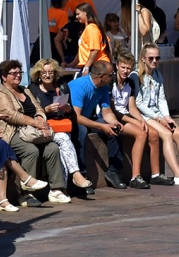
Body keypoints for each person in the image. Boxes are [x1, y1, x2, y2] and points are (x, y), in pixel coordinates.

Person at [0, 59, 68, 205]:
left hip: (33, 130)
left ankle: (56, 190)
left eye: (19, 72)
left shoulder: (25, 90)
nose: (18, 75)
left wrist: (41, 120)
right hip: (12, 131)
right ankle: (26, 194)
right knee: (31, 151)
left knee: (52, 148)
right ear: (4, 76)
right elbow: (12, 115)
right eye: (14, 73)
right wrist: (36, 123)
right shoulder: (1, 92)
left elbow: (39, 108)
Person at [136, 44, 179, 185]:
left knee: (178, 134)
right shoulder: (137, 76)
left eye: (157, 58)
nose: (154, 61)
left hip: (157, 113)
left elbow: (161, 99)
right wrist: (158, 119)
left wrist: (167, 117)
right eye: (151, 58)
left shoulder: (157, 75)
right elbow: (139, 104)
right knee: (166, 135)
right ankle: (178, 174)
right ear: (143, 59)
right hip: (144, 115)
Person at [29, 58, 91, 193]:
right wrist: (46, 110)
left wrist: (68, 109)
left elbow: (72, 113)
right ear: (38, 74)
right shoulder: (32, 89)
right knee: (64, 138)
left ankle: (62, 188)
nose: (47, 75)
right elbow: (30, 113)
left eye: (51, 72)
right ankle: (76, 174)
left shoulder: (62, 86)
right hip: (44, 127)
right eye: (44, 72)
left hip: (61, 125)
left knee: (66, 141)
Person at [68, 61, 130, 190]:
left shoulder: (103, 87)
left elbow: (106, 111)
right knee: (82, 131)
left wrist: (114, 122)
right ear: (101, 76)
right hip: (72, 120)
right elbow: (76, 117)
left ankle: (113, 171)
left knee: (114, 129)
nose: (113, 77)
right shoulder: (79, 86)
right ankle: (82, 175)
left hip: (87, 118)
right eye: (111, 74)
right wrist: (101, 126)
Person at [110, 53, 156, 189]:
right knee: (141, 134)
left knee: (151, 131)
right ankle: (135, 176)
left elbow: (132, 107)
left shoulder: (129, 83)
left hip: (126, 115)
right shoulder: (110, 81)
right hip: (113, 117)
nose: (125, 71)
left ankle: (155, 173)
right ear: (117, 66)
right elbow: (113, 110)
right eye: (123, 67)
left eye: (128, 68)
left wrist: (141, 120)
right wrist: (134, 122)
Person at [74, 3, 111, 74]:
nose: (76, 16)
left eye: (78, 14)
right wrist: (72, 65)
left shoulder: (92, 28)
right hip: (93, 65)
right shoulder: (89, 28)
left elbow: (94, 50)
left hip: (97, 67)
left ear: (85, 13)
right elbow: (83, 51)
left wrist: (86, 67)